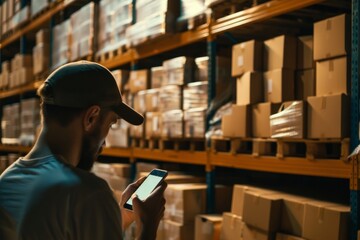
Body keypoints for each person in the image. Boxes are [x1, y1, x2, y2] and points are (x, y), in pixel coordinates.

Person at [0, 61, 167, 240]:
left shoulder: (6, 182)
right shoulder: (88, 194)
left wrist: (121, 217)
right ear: (91, 117)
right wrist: (147, 225)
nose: (105, 143)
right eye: (110, 123)